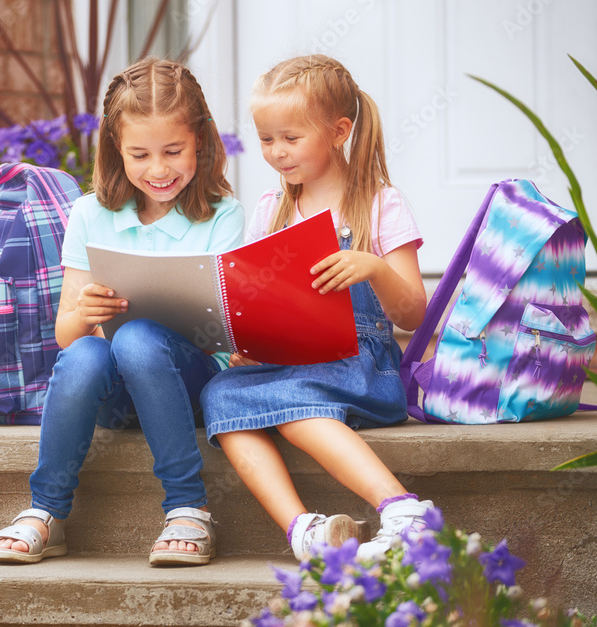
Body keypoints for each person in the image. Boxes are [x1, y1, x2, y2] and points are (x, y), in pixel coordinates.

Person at [0, 57, 245, 567]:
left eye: (173, 150)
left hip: (190, 385)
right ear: (114, 149)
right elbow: (65, 336)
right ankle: (45, 511)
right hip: (118, 396)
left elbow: (228, 332)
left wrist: (237, 345)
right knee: (87, 353)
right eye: (140, 154)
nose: (159, 169)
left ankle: (187, 506)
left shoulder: (223, 215)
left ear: (201, 141)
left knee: (137, 338)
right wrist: (85, 311)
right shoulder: (89, 214)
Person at [200, 54, 433, 563]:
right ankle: (304, 531)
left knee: (292, 401)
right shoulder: (271, 209)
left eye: (291, 138)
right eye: (266, 140)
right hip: (293, 362)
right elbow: (261, 300)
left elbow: (415, 314)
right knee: (220, 394)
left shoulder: (378, 203)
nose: (277, 153)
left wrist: (372, 268)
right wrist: (248, 346)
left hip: (363, 366)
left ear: (338, 131)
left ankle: (403, 511)